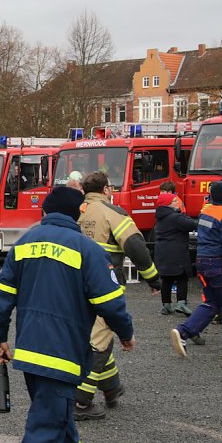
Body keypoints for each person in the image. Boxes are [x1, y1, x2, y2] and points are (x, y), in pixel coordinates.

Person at [0, 186, 135, 443]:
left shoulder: (23, 244)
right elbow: (111, 303)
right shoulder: (89, 251)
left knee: (62, 426)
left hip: (30, 355)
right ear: (79, 212)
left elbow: (2, 294)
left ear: (45, 210)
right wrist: (125, 333)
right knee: (46, 430)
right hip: (63, 356)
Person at [74, 171, 160, 420]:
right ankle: (81, 402)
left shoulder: (77, 211)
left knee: (99, 333)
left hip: (75, 283)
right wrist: (153, 279)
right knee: (99, 339)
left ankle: (111, 388)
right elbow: (135, 246)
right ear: (106, 190)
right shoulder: (113, 212)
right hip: (105, 282)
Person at [171, 181, 222, 362]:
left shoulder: (205, 212)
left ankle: (183, 332)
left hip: (203, 261)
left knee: (212, 303)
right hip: (220, 263)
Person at [154, 192, 197, 315]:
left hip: (162, 251)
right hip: (176, 251)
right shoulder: (175, 217)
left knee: (167, 278)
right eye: (174, 201)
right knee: (182, 277)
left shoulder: (160, 217)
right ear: (167, 204)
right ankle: (181, 303)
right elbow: (192, 225)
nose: (176, 202)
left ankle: (166, 305)